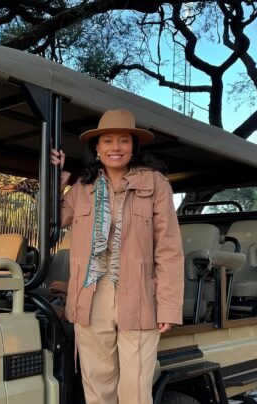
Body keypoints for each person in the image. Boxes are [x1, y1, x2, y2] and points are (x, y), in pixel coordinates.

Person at [50, 109, 184, 404]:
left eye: (124, 141)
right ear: (96, 149)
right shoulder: (82, 189)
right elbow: (51, 221)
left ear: (133, 147)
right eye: (108, 141)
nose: (115, 147)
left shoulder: (155, 184)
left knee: (135, 389)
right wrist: (53, 180)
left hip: (139, 296)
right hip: (91, 294)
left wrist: (169, 307)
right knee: (98, 385)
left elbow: (169, 249)